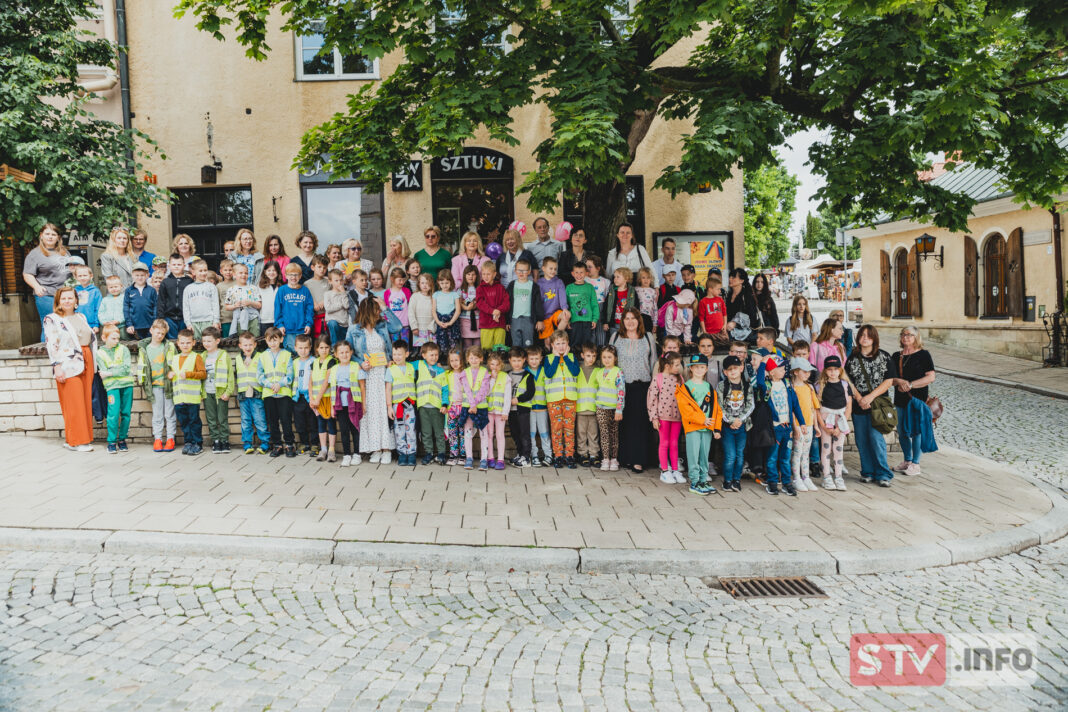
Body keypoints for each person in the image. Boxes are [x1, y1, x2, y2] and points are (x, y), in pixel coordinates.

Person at [845, 324, 896, 486]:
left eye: (868, 335)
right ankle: (867, 471)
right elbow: (847, 380)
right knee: (861, 439)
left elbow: (889, 381)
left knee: (876, 438)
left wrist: (870, 397)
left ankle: (883, 473)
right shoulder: (852, 358)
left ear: (874, 338)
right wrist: (860, 398)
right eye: (862, 335)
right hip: (859, 405)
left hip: (878, 405)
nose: (865, 338)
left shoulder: (885, 357)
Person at [347, 297, 396, 464]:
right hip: (367, 374)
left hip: (383, 372)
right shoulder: (354, 329)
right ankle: (375, 448)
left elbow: (398, 327)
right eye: (376, 310)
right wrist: (360, 362)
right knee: (371, 411)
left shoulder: (382, 326)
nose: (378, 313)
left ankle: (387, 448)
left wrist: (385, 307)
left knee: (384, 409)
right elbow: (347, 352)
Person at [610, 308, 658, 473]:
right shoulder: (616, 337)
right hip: (622, 387)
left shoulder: (647, 337)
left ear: (639, 320)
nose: (630, 322)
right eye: (627, 318)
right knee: (625, 424)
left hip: (642, 386)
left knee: (640, 425)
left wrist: (654, 385)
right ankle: (626, 458)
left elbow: (653, 362)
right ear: (622, 321)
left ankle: (639, 459)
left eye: (633, 318)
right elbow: (609, 362)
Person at [754, 355, 805, 496]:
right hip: (774, 428)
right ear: (771, 372)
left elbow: (795, 405)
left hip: (787, 427)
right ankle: (772, 482)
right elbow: (759, 381)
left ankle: (787, 483)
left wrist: (802, 422)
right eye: (780, 368)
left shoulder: (787, 385)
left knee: (785, 456)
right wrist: (763, 364)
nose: (784, 371)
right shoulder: (767, 386)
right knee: (772, 457)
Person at [891, 325, 936, 476]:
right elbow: (890, 378)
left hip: (917, 399)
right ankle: (907, 460)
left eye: (909, 335)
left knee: (916, 431)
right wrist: (899, 382)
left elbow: (930, 377)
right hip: (900, 398)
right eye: (903, 334)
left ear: (916, 337)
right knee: (902, 431)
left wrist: (910, 385)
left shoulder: (924, 355)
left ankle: (916, 464)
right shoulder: (897, 356)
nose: (906, 337)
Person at [677, 353, 723, 495]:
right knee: (693, 455)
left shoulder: (709, 387)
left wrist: (717, 428)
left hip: (707, 427)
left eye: (701, 367)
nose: (698, 369)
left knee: (704, 455)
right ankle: (694, 481)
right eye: (695, 367)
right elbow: (686, 410)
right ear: (691, 369)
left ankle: (703, 480)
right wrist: (702, 420)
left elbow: (716, 409)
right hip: (693, 427)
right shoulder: (685, 388)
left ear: (706, 369)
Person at [23, 223, 73, 340]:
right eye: (47, 234)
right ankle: (46, 355)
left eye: (53, 234)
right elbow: (27, 274)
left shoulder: (64, 252)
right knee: (50, 325)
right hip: (46, 295)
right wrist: (36, 287)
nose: (50, 237)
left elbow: (71, 271)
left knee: (66, 325)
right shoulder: (34, 254)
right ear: (41, 236)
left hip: (64, 295)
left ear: (58, 237)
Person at [136, 319, 178, 452]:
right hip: (154, 386)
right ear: (151, 330)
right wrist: (142, 381)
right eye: (158, 332)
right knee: (158, 414)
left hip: (168, 385)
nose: (160, 336)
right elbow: (141, 366)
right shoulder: (144, 349)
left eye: (163, 334)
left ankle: (170, 438)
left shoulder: (170, 347)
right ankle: (158, 439)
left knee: (170, 413)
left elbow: (176, 363)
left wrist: (174, 373)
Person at [93, 324, 133, 454]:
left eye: (118, 338)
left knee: (126, 414)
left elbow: (126, 369)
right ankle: (111, 441)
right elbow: (102, 370)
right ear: (104, 338)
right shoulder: (99, 353)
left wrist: (110, 372)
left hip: (127, 385)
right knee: (113, 414)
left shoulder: (124, 349)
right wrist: (116, 370)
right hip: (112, 387)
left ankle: (122, 440)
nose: (117, 341)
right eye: (113, 338)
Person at [543, 330, 579, 468]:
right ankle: (558, 455)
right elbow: (550, 373)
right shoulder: (548, 359)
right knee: (556, 428)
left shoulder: (572, 357)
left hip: (570, 399)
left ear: (568, 344)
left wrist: (567, 358)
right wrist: (557, 357)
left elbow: (575, 371)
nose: (561, 346)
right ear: (552, 345)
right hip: (554, 400)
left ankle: (569, 455)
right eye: (558, 343)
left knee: (569, 428)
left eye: (563, 343)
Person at [259, 327, 296, 458]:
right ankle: (277, 445)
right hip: (269, 393)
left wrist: (280, 384)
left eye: (276, 340)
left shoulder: (287, 354)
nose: (273, 343)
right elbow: (260, 375)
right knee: (272, 420)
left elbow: (290, 374)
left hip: (284, 392)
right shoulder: (262, 356)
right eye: (270, 340)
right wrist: (270, 385)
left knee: (286, 420)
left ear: (281, 339)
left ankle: (290, 445)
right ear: (266, 341)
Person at [816, 355, 852, 491]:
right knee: (826, 449)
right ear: (825, 370)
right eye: (829, 369)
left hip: (840, 421)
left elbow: (849, 406)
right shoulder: (819, 386)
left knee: (838, 449)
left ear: (840, 370)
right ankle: (826, 477)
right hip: (825, 421)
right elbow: (817, 408)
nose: (832, 372)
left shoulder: (845, 385)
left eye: (835, 369)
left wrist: (840, 425)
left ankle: (838, 477)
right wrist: (823, 426)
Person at [717, 355, 753, 492]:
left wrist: (740, 420)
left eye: (735, 368)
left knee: (739, 455)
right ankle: (727, 480)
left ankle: (736, 480)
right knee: (730, 455)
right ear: (725, 372)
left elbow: (750, 405)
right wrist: (731, 420)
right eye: (729, 369)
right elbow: (719, 407)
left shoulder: (747, 386)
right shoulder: (721, 386)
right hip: (727, 427)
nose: (733, 371)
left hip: (742, 426)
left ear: (741, 368)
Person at [649, 352, 685, 484]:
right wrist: (654, 418)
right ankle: (665, 471)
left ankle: (675, 470)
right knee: (664, 443)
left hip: (677, 417)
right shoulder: (658, 378)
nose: (679, 367)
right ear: (668, 365)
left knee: (674, 443)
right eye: (676, 365)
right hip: (663, 417)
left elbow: (684, 397)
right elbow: (652, 399)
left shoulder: (679, 378)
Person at [169, 329, 206, 455]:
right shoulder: (174, 358)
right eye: (183, 343)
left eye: (188, 343)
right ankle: (188, 442)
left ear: (193, 343)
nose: (185, 345)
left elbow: (202, 374)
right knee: (184, 421)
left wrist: (189, 374)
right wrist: (170, 374)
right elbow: (171, 373)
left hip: (192, 397)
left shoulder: (196, 357)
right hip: (179, 397)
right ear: (178, 343)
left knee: (194, 421)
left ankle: (198, 443)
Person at [329, 340, 365, 466]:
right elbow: (332, 389)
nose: (344, 355)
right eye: (341, 352)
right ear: (336, 355)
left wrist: (363, 404)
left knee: (355, 429)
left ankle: (357, 454)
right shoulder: (333, 369)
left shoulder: (356, 366)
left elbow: (362, 386)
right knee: (343, 430)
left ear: (351, 352)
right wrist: (332, 407)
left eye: (346, 352)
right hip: (340, 404)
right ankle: (346, 455)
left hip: (354, 402)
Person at [234, 330, 269, 454]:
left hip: (256, 393)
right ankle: (247, 443)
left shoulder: (260, 356)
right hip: (243, 394)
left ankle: (265, 442)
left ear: (255, 345)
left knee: (259, 419)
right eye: (245, 345)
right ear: (240, 346)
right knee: (245, 420)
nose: (247, 347)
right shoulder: (238, 358)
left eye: (250, 345)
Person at [458, 345, 492, 470]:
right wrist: (472, 405)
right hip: (468, 407)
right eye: (471, 358)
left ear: (481, 359)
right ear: (467, 359)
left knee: (484, 434)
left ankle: (484, 459)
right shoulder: (464, 373)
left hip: (481, 407)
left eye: (477, 358)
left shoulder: (485, 372)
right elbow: (466, 389)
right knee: (468, 433)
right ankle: (469, 458)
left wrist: (475, 404)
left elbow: (483, 390)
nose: (474, 360)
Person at [199, 326, 233, 453]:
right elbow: (200, 377)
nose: (206, 344)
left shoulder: (224, 355)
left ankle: (225, 440)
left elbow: (230, 376)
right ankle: (216, 441)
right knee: (211, 419)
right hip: (208, 393)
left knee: (222, 418)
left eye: (209, 341)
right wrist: (202, 393)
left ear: (217, 341)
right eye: (204, 341)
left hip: (221, 393)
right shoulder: (202, 356)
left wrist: (228, 392)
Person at [413, 342, 448, 465]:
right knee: (426, 432)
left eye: (436, 355)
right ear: (424, 355)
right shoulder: (419, 365)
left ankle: (442, 453)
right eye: (431, 355)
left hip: (437, 407)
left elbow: (445, 389)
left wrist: (445, 404)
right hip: (423, 406)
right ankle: (429, 453)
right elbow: (405, 365)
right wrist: (394, 363)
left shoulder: (441, 371)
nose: (434, 357)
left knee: (439, 431)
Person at [789, 357, 820, 492]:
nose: (807, 374)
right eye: (804, 371)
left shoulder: (810, 387)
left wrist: (816, 426)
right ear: (795, 372)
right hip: (797, 425)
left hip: (809, 425)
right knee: (797, 452)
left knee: (805, 453)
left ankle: (806, 476)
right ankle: (796, 478)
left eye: (809, 372)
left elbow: (813, 408)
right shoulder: (792, 388)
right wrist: (795, 428)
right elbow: (792, 410)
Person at [385, 340, 418, 466]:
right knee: (399, 430)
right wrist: (389, 407)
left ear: (407, 354)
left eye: (400, 354)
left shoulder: (411, 367)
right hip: (397, 405)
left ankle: (411, 453)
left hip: (409, 405)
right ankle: (402, 453)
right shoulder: (390, 370)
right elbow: (388, 388)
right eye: (394, 354)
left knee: (411, 430)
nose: (397, 357)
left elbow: (424, 363)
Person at [593, 344, 625, 471]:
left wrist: (619, 409)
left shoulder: (618, 372)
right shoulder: (599, 372)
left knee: (614, 433)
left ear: (615, 358)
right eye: (604, 357)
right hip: (601, 407)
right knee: (604, 433)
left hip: (613, 408)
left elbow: (621, 391)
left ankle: (614, 459)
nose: (606, 360)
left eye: (609, 357)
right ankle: (605, 459)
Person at [307, 336, 337, 462]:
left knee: (330, 422)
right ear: (317, 349)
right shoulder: (313, 362)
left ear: (330, 348)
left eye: (326, 347)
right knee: (320, 423)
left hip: (328, 398)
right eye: (321, 348)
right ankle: (323, 449)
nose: (324, 350)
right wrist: (311, 399)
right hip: (316, 400)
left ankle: (331, 450)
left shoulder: (332, 361)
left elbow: (326, 382)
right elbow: (310, 381)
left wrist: (317, 399)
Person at [506, 347, 536, 467]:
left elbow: (530, 392)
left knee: (524, 434)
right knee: (515, 433)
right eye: (514, 361)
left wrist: (518, 399)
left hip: (522, 409)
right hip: (510, 411)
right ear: (509, 361)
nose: (517, 363)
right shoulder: (507, 375)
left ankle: (526, 457)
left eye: (519, 360)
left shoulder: (528, 375)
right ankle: (520, 454)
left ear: (524, 360)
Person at [275, 263, 314, 352]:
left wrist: (308, 323)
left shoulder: (305, 290)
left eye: (296, 275)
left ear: (300, 276)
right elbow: (278, 310)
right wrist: (280, 325)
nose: (293, 277)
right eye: (290, 275)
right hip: (287, 330)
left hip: (302, 329)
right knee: (290, 353)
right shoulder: (282, 290)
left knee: (302, 352)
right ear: (286, 275)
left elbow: (309, 309)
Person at [290, 334, 318, 456]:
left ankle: (315, 444)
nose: (303, 350)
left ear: (310, 347)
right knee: (299, 422)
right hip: (297, 397)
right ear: (295, 348)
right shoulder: (294, 362)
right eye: (300, 348)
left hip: (310, 397)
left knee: (313, 421)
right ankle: (304, 443)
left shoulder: (314, 361)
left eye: (306, 348)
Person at [506, 259, 543, 349]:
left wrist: (540, 319)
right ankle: (517, 361)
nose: (521, 273)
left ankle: (528, 360)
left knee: (528, 342)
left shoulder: (533, 286)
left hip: (528, 319)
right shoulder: (512, 285)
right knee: (516, 343)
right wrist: (507, 321)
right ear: (515, 271)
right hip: (515, 319)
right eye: (519, 270)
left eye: (524, 270)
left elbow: (537, 303)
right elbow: (508, 303)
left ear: (529, 272)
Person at [574, 343, 601, 467]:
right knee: (581, 433)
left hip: (594, 409)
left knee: (593, 433)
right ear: (582, 355)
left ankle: (594, 454)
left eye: (594, 356)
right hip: (580, 409)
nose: (591, 358)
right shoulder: (577, 370)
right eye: (588, 356)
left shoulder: (598, 371)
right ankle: (582, 454)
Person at [525, 346, 553, 467]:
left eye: (536, 358)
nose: (534, 361)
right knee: (531, 433)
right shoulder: (525, 371)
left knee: (544, 432)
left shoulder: (544, 371)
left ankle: (548, 454)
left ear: (541, 359)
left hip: (542, 407)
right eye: (531, 358)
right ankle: (534, 455)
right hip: (530, 408)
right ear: (527, 359)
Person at [483, 351, 511, 470]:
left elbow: (507, 396)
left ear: (501, 365)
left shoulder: (506, 377)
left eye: (497, 365)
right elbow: (486, 393)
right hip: (489, 410)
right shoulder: (486, 376)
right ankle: (490, 458)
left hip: (500, 412)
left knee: (500, 435)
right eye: (492, 364)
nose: (495, 367)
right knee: (489, 435)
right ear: (489, 365)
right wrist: (492, 380)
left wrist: (506, 411)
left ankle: (500, 459)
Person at [182, 259, 220, 339]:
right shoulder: (188, 288)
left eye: (205, 270)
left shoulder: (211, 287)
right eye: (200, 271)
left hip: (209, 321)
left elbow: (215, 305)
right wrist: (188, 323)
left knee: (209, 342)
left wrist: (216, 321)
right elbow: (186, 307)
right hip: (193, 322)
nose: (203, 273)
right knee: (196, 346)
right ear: (193, 272)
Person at [535, 256, 570, 344]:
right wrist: (538, 319)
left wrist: (565, 308)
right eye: (551, 268)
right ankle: (549, 351)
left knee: (567, 315)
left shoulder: (558, 282)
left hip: (555, 313)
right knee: (547, 342)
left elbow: (562, 297)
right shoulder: (539, 283)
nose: (553, 271)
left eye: (555, 269)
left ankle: (556, 335)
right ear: (543, 268)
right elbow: (537, 302)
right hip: (544, 315)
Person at [476, 261, 509, 351]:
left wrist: (498, 310)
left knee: (499, 348)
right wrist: (492, 311)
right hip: (486, 323)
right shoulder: (480, 289)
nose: (485, 277)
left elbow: (506, 303)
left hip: (499, 323)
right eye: (484, 274)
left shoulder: (500, 287)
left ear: (494, 274)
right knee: (486, 348)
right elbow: (480, 304)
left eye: (488, 274)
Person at [565, 261, 598, 347]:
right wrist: (567, 320)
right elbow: (566, 305)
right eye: (576, 272)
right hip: (574, 320)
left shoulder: (589, 287)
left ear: (586, 273)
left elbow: (594, 304)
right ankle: (575, 359)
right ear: (572, 273)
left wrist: (594, 319)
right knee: (574, 342)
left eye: (581, 272)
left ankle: (585, 359)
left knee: (587, 343)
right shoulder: (569, 288)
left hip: (587, 320)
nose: (579, 275)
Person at [442, 347, 466, 466]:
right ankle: (453, 454)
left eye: (457, 360)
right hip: (451, 408)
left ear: (462, 360)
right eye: (452, 361)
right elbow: (444, 390)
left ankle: (463, 455)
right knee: (452, 432)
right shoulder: (447, 374)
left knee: (462, 431)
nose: (454, 363)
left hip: (463, 406)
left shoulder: (466, 373)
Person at [224, 263, 262, 337]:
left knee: (255, 338)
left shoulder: (253, 288)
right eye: (240, 273)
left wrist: (250, 302)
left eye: (246, 273)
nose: (243, 275)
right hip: (239, 319)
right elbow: (227, 307)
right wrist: (235, 305)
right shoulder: (231, 290)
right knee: (242, 339)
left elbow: (259, 305)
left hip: (253, 319)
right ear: (234, 275)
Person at [123, 262, 157, 339]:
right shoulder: (129, 291)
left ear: (147, 275)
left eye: (142, 275)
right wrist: (129, 324)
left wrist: (154, 324)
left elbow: (155, 307)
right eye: (137, 275)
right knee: (136, 349)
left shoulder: (152, 290)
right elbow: (126, 308)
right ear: (132, 275)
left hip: (150, 326)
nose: (140, 278)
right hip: (134, 327)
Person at [724, 268, 758, 344]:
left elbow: (752, 318)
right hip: (729, 333)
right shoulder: (728, 295)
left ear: (742, 281)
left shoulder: (747, 296)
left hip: (743, 336)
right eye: (730, 277)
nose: (730, 279)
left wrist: (735, 323)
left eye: (733, 277)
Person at [603, 267, 636, 341]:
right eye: (614, 277)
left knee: (627, 340)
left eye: (618, 277)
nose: (615, 279)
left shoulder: (632, 292)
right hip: (614, 324)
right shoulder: (612, 291)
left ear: (626, 278)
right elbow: (606, 307)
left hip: (627, 324)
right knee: (614, 340)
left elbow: (636, 307)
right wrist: (605, 322)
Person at [433, 269, 462, 352]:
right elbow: (433, 310)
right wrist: (438, 322)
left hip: (452, 322)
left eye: (447, 283)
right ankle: (444, 356)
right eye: (442, 283)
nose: (444, 285)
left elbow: (458, 310)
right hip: (440, 321)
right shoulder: (436, 294)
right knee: (441, 341)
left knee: (453, 341)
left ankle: (454, 357)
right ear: (438, 282)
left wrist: (450, 322)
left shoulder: (455, 294)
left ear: (451, 282)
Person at [697, 273, 729, 348]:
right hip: (709, 332)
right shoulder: (703, 301)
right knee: (711, 347)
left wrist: (724, 325)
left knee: (725, 345)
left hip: (721, 331)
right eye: (718, 289)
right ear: (710, 289)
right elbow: (701, 318)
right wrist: (704, 331)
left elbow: (724, 314)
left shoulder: (720, 300)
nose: (720, 291)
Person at [408, 273, 437, 351]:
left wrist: (432, 326)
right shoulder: (415, 296)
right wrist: (414, 327)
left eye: (427, 283)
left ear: (431, 284)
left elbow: (436, 313)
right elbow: (411, 312)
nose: (425, 285)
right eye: (422, 283)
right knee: (420, 351)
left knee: (431, 350)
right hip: (418, 329)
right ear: (419, 284)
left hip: (431, 329)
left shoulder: (434, 297)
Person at [383, 267, 412, 344]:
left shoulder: (406, 291)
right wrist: (387, 320)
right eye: (399, 280)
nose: (402, 282)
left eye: (403, 279)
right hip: (393, 324)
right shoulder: (387, 293)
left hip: (405, 323)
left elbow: (410, 306)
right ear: (392, 279)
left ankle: (406, 356)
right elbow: (386, 308)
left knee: (405, 344)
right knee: (395, 344)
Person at [304, 255, 330, 337]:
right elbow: (307, 298)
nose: (322, 270)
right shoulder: (307, 284)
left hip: (327, 315)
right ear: (313, 267)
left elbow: (333, 294)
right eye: (319, 267)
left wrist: (324, 300)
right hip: (314, 316)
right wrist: (314, 303)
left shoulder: (329, 282)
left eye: (324, 267)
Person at [324, 269, 351, 345]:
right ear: (330, 281)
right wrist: (340, 304)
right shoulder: (327, 294)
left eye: (341, 280)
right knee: (333, 324)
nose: (339, 283)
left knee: (344, 343)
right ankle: (334, 348)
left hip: (344, 323)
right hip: (334, 322)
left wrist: (343, 293)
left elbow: (346, 305)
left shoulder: (345, 293)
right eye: (336, 280)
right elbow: (328, 309)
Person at [72, 264, 103, 331]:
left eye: (85, 275)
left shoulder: (95, 291)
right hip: (76, 324)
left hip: (91, 325)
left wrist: (96, 324)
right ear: (75, 277)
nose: (82, 278)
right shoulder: (74, 291)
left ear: (91, 276)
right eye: (80, 276)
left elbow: (98, 309)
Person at [257, 261, 283, 332]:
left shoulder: (282, 287)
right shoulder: (259, 286)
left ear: (278, 272)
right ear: (265, 272)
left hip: (279, 320)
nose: (271, 272)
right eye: (269, 270)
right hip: (265, 319)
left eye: (274, 270)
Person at [633, 267, 658, 334]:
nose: (646, 280)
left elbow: (655, 308)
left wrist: (655, 323)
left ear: (651, 279)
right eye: (643, 278)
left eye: (648, 278)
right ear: (639, 279)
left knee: (647, 335)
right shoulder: (635, 289)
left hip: (648, 317)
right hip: (637, 316)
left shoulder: (653, 291)